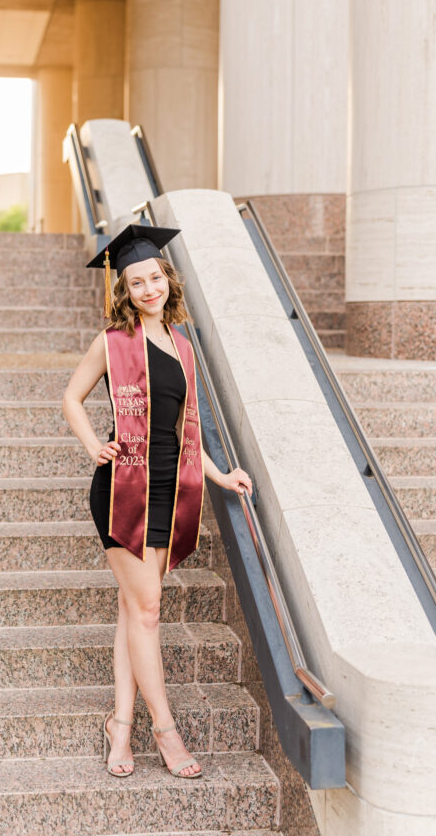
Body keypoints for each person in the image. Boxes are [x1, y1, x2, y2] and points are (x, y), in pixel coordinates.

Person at [62, 223, 252, 779]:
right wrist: (95, 443)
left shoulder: (182, 345)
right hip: (123, 489)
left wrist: (219, 475)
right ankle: (166, 731)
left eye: (154, 278)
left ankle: (119, 726)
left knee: (133, 610)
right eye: (136, 282)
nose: (148, 289)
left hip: (172, 489)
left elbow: (186, 428)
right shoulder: (113, 342)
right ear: (124, 289)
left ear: (167, 279)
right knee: (147, 611)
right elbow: (71, 397)